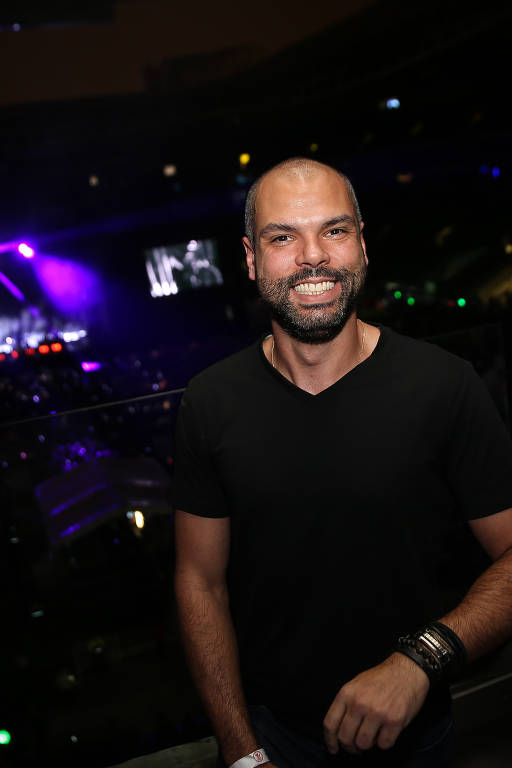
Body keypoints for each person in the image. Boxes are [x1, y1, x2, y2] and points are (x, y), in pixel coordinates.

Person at [172, 157, 512, 768]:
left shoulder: (444, 386)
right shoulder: (209, 402)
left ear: (362, 244)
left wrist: (422, 658)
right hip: (274, 742)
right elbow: (200, 582)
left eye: (334, 230)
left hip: (419, 742)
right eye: (283, 237)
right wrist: (240, 750)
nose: (313, 257)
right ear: (251, 260)